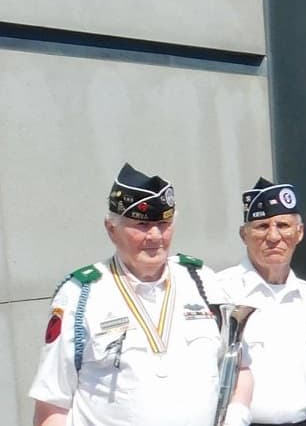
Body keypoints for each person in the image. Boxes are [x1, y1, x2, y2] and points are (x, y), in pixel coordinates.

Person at [31, 163, 254, 426]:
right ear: (111, 229)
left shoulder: (201, 280)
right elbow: (51, 405)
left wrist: (237, 415)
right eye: (141, 225)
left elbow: (240, 365)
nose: (155, 236)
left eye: (164, 223)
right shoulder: (82, 294)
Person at [217, 178, 306, 426]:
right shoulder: (219, 293)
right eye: (262, 226)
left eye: (283, 225)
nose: (273, 236)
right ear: (244, 234)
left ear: (299, 233)